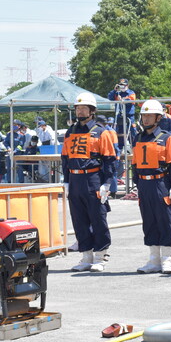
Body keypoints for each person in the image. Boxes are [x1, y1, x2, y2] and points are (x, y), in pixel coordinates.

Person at [62, 92, 117, 273]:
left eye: (84, 108)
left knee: (98, 218)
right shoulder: (70, 132)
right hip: (75, 179)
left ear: (92, 111)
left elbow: (110, 159)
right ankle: (86, 256)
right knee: (79, 219)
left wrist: (107, 183)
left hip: (93, 178)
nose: (80, 111)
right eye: (78, 108)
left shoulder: (102, 132)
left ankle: (100, 256)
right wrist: (67, 181)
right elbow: (65, 158)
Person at [131, 100, 171, 274]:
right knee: (149, 221)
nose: (146, 119)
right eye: (144, 116)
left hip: (160, 182)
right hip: (144, 184)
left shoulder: (166, 138)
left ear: (158, 117)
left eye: (149, 115)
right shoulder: (137, 138)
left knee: (164, 220)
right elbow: (135, 163)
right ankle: (153, 260)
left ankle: (167, 260)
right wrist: (137, 183)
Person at [108, 78, 137, 151]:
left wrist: (123, 100)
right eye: (120, 85)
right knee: (119, 133)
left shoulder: (131, 93)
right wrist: (115, 90)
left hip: (129, 116)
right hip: (119, 117)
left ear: (127, 85)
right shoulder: (117, 93)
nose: (122, 87)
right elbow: (110, 97)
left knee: (133, 132)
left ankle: (135, 148)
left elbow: (131, 100)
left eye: (123, 85)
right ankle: (118, 150)